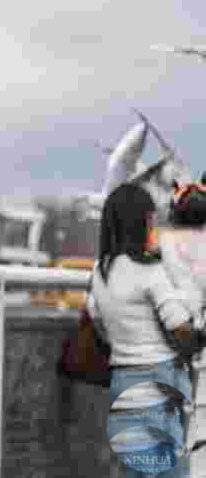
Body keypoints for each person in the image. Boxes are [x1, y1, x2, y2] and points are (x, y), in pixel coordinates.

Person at [88, 184, 200, 477]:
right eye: (152, 217)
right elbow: (181, 331)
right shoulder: (151, 271)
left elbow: (97, 320)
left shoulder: (100, 272)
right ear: (142, 221)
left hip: (123, 383)